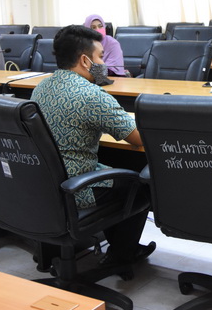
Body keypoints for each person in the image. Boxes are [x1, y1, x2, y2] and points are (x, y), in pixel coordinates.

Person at [32, 24, 154, 267]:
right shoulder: (92, 95)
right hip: (77, 188)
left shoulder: (40, 88)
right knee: (142, 185)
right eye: (100, 56)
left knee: (116, 166)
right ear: (85, 60)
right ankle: (122, 255)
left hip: (43, 184)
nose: (103, 63)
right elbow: (139, 139)